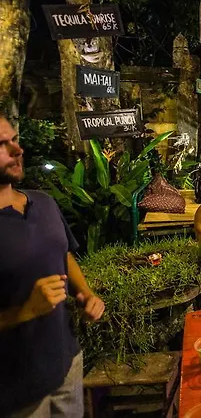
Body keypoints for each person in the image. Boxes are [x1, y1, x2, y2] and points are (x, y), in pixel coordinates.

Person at [0, 114, 105, 416]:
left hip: (66, 362)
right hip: (14, 389)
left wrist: (86, 293)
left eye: (15, 140)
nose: (17, 150)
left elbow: (64, 253)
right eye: (2, 145)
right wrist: (25, 311)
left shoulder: (43, 203)